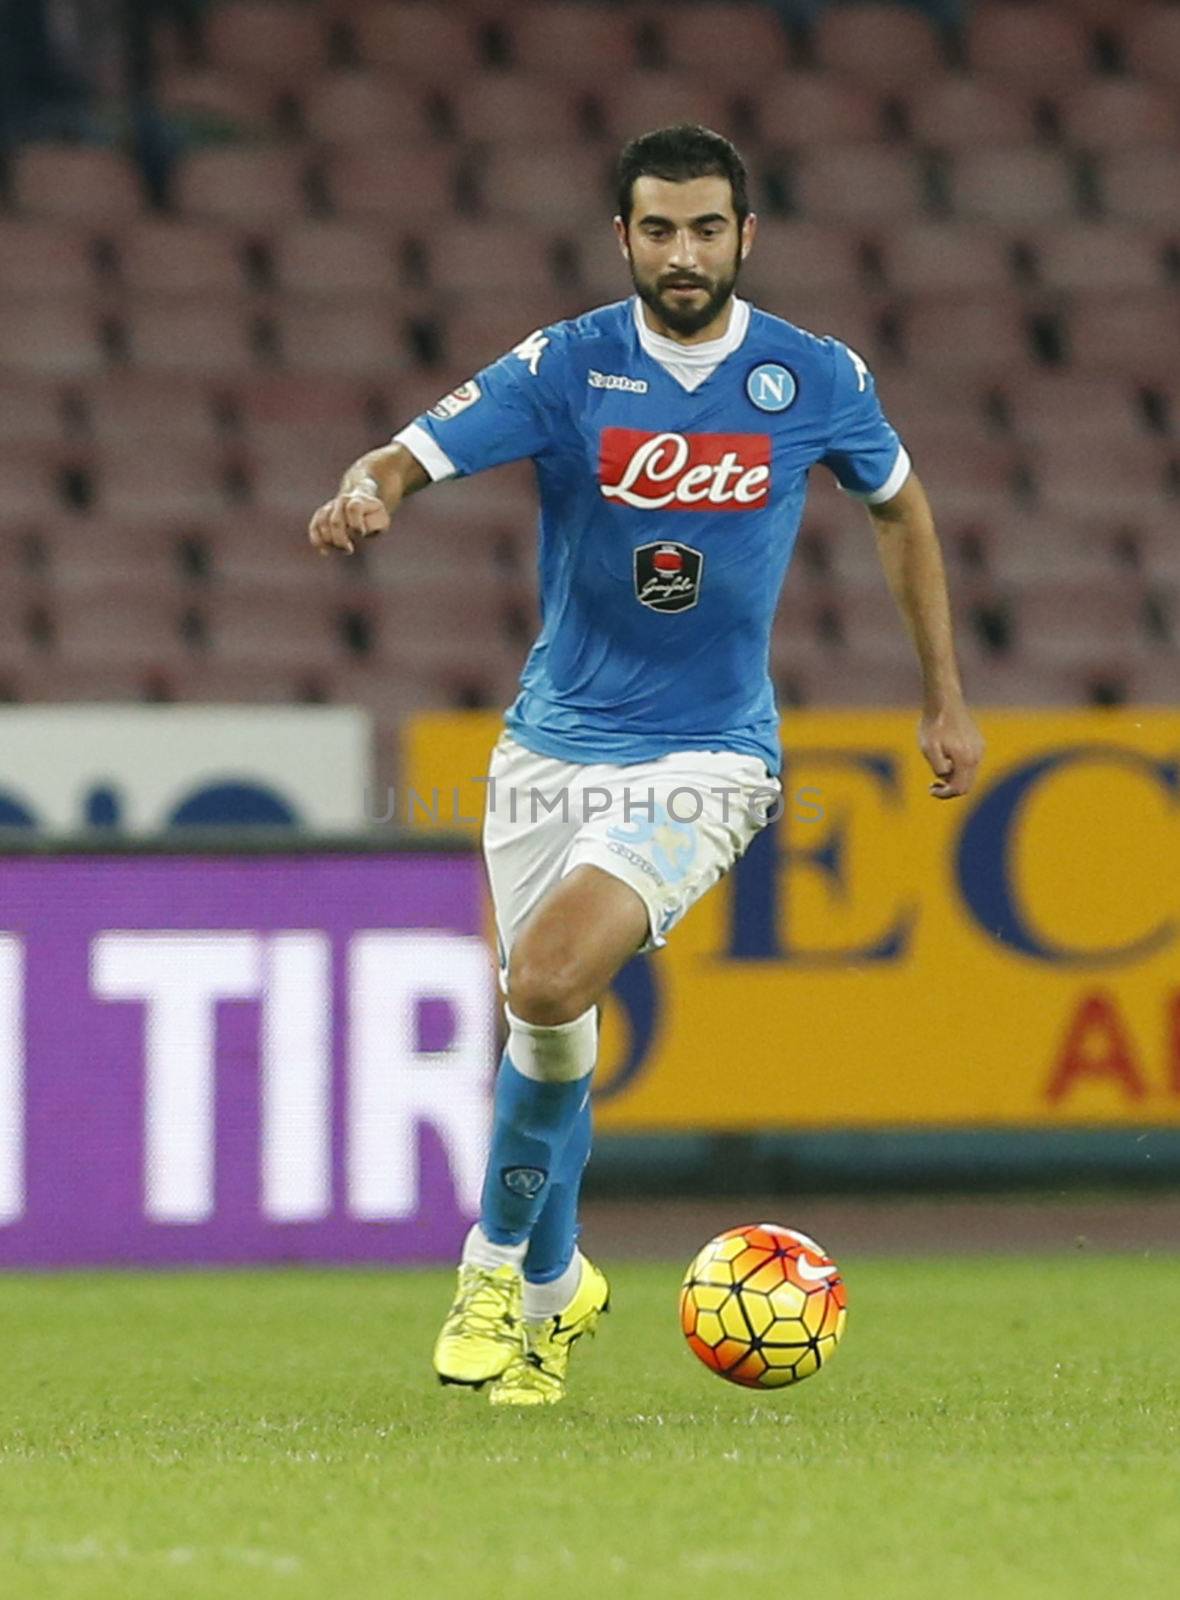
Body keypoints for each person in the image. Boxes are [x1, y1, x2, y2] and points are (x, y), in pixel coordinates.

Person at [308, 125, 984, 1406]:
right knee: (542, 1028)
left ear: (747, 235)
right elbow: (411, 447)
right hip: (545, 746)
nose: (685, 252)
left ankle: (492, 1271)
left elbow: (897, 504)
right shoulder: (569, 365)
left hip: (708, 755)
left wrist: (942, 696)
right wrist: (374, 491)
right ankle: (563, 1298)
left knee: (549, 974)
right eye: (659, 229)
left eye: (707, 228)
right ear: (623, 238)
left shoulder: (811, 377)